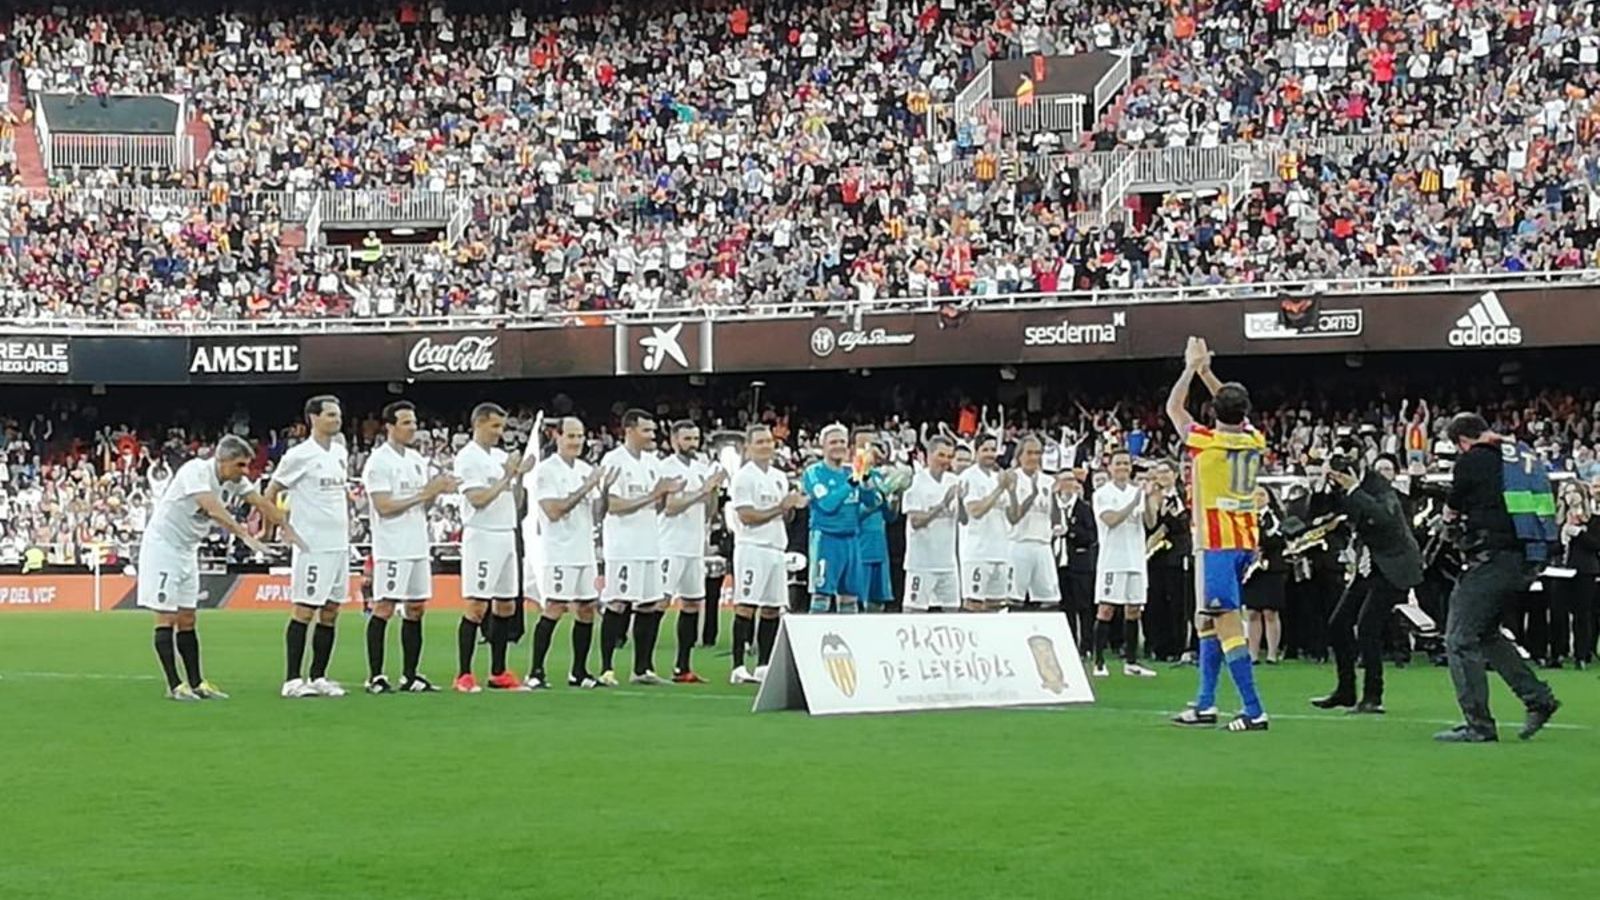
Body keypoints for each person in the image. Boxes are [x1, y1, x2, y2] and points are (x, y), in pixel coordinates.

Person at [1435, 413, 1560, 742]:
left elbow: (1453, 507)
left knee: (1459, 639)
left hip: (1492, 557)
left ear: (1462, 441)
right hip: (1526, 557)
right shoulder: (1519, 455)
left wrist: (1449, 519)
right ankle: (1538, 699)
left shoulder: (1473, 459)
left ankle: (1479, 725)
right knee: (1487, 633)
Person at [1167, 336, 1271, 732]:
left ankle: (1254, 709)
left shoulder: (1205, 442)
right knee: (1206, 620)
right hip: (1244, 539)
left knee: (1225, 621)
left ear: (1213, 410)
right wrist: (1208, 373)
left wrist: (1190, 369)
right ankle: (1205, 704)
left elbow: (1173, 408)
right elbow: (1231, 405)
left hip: (1216, 542)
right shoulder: (1254, 439)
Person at [137, 436, 280, 700]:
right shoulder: (195, 471)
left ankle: (196, 683)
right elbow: (213, 509)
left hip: (187, 550)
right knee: (166, 617)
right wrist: (244, 535)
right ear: (222, 461)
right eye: (240, 465)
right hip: (163, 547)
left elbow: (260, 502)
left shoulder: (234, 480)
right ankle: (174, 685)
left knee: (188, 618)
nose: (245, 471)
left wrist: (286, 528)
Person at [360, 400, 459, 694]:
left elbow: (423, 506)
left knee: (416, 608)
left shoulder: (416, 459)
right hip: (392, 545)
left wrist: (434, 493)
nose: (412, 428)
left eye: (414, 422)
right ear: (389, 426)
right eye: (406, 422)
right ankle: (376, 676)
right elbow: (383, 506)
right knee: (385, 606)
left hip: (417, 543)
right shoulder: (379, 461)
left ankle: (410, 675)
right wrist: (424, 494)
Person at [1313, 453, 1423, 714]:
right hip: (1369, 563)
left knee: (1367, 627)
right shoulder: (1340, 489)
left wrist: (1354, 489)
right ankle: (1346, 691)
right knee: (1339, 623)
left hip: (1394, 565)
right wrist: (1321, 486)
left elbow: (1383, 516)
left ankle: (1373, 696)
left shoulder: (1379, 486)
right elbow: (1319, 515)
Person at [267, 395, 353, 699]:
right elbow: (271, 491)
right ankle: (292, 680)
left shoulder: (340, 452)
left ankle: (318, 676)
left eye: (338, 414)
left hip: (339, 544)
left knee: (331, 611)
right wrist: (280, 527)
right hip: (312, 544)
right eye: (330, 414)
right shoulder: (298, 455)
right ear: (313, 418)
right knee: (304, 609)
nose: (336, 419)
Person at [452, 402, 536, 693]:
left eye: (502, 426)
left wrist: (520, 476)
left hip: (506, 532)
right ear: (478, 424)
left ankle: (498, 671)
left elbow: (515, 501)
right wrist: (508, 476)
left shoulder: (500, 457)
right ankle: (464, 674)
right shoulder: (468, 457)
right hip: (482, 534)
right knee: (477, 605)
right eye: (495, 426)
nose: (500, 432)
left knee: (506, 604)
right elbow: (478, 499)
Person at [600, 409, 682, 686]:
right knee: (618, 603)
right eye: (646, 430)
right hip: (624, 546)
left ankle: (642, 668)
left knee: (648, 605)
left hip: (650, 544)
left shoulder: (652, 462)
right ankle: (606, 668)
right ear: (629, 430)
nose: (651, 435)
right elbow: (614, 505)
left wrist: (665, 494)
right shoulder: (614, 460)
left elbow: (657, 506)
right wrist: (654, 494)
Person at [528, 417, 611, 689]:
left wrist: (605, 491)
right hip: (559, 551)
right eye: (571, 436)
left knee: (587, 609)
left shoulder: (585, 469)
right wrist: (586, 487)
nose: (577, 441)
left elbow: (597, 513)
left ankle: (579, 672)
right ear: (558, 437)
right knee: (555, 607)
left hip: (584, 550)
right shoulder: (547, 471)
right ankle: (536, 671)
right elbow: (553, 511)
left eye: (580, 436)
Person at [729, 425, 807, 683]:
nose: (766, 446)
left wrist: (793, 507)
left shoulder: (779, 477)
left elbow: (785, 515)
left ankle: (763, 664)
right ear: (748, 447)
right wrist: (781, 507)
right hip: (752, 547)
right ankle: (738, 666)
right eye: (760, 442)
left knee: (772, 607)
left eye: (769, 441)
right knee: (746, 605)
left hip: (776, 547)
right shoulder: (744, 477)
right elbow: (747, 516)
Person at [659, 420, 725, 683]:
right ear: (674, 440)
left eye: (695, 439)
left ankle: (682, 667)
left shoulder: (701, 469)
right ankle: (643, 666)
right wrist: (702, 491)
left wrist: (714, 492)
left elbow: (709, 512)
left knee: (692, 603)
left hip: (695, 546)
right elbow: (670, 507)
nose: (692, 444)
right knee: (660, 602)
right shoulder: (666, 468)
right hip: (670, 545)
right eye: (687, 439)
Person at [1090, 449, 1159, 678]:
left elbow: (1150, 522)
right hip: (1113, 558)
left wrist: (1147, 500)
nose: (1122, 467)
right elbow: (1111, 520)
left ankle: (1131, 661)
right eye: (1118, 463)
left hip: (1135, 558)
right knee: (1107, 608)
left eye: (1126, 464)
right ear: (1110, 467)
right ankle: (1099, 661)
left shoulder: (1136, 492)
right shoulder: (1102, 493)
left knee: (1134, 609)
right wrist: (1133, 503)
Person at [802, 423, 879, 614]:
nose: (838, 446)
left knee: (850, 597)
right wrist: (853, 481)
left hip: (851, 540)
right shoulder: (814, 472)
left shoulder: (850, 472)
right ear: (823, 446)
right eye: (833, 442)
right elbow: (827, 504)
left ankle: (849, 633)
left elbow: (872, 502)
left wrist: (866, 479)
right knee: (821, 596)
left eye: (842, 442)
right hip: (826, 539)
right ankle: (814, 632)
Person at [902, 435, 962, 613]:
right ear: (929, 455)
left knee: (953, 610)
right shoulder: (917, 482)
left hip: (948, 562)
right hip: (922, 563)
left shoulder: (953, 481)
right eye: (941, 455)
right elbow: (915, 521)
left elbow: (964, 520)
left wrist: (962, 501)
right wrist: (943, 504)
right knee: (914, 611)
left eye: (949, 456)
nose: (945, 461)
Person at [958, 434, 1014, 612]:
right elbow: (975, 511)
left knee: (996, 605)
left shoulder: (998, 476)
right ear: (976, 452)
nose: (990, 454)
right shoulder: (969, 476)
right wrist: (1000, 488)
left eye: (993, 449)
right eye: (985, 450)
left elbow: (1013, 517)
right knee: (974, 604)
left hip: (1001, 551)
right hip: (977, 553)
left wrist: (1011, 491)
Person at [1006, 436, 1062, 611]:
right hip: (1018, 543)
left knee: (1050, 599)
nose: (1034, 457)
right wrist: (1032, 495)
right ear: (1019, 455)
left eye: (1037, 453)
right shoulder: (1012, 478)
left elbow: (1054, 515)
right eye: (1029, 453)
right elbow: (1013, 517)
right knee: (1014, 598)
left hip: (1043, 544)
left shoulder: (1048, 481)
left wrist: (1056, 499)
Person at [1145, 460, 1193, 662]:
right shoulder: (1151, 496)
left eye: (1166, 471)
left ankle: (1178, 646)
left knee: (1177, 603)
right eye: (1159, 472)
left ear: (1175, 474)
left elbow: (1184, 524)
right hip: (1154, 556)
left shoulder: (1184, 495)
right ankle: (1158, 646)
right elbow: (1149, 525)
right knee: (1156, 602)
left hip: (1177, 555)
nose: (1162, 475)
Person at [1550, 482, 1598, 670]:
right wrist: (1562, 541)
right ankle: (1558, 653)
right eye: (1567, 493)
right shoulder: (1557, 521)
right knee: (1557, 613)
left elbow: (1596, 545)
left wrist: (1579, 534)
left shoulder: (1593, 520)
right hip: (1560, 571)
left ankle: (1582, 654)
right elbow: (1550, 548)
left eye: (1574, 492)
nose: (1570, 496)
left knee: (1582, 614)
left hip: (1584, 571)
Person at [1243, 486, 1288, 665]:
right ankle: (1253, 654)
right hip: (1251, 571)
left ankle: (1272, 653)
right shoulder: (1244, 518)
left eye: (1262, 494)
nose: (1258, 498)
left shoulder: (1275, 518)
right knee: (1252, 612)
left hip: (1272, 569)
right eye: (1254, 494)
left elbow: (1278, 539)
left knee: (1270, 612)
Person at [853, 428, 896, 612]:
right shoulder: (850, 476)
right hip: (859, 548)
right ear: (852, 448)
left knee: (877, 604)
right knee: (856, 602)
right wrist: (873, 505)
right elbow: (849, 515)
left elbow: (889, 517)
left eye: (871, 445)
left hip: (879, 548)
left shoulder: (878, 477)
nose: (869, 450)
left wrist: (893, 502)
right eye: (863, 446)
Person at [1055, 470, 1098, 649]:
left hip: (1080, 564)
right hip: (1058, 563)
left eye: (1071, 480)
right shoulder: (1053, 507)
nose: (1068, 484)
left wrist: (1070, 532)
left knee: (1084, 606)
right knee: (1066, 606)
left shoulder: (1084, 508)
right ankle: (1069, 643)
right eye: (1064, 480)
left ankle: (1086, 645)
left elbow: (1091, 536)